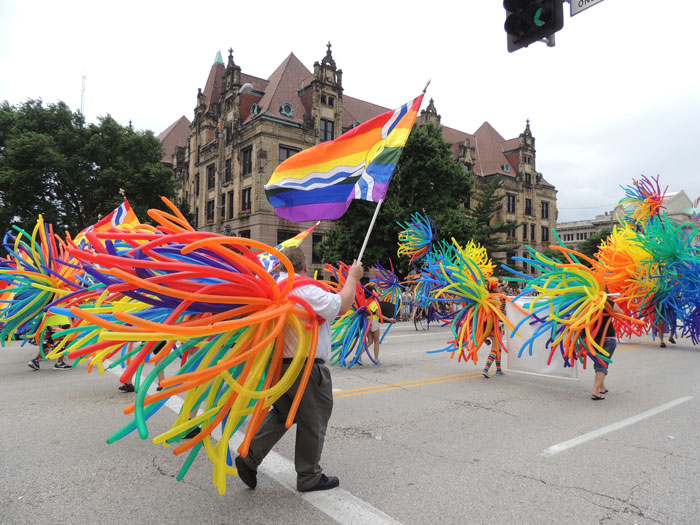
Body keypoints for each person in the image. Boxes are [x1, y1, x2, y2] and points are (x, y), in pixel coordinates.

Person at [235, 247, 363, 492]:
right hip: (306, 369)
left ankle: (250, 458)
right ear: (304, 267)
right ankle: (308, 476)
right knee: (314, 420)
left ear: (281, 266)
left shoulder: (273, 288)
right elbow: (342, 305)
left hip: (280, 368)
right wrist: (353, 277)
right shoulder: (303, 288)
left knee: (283, 415)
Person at [591, 295, 623, 400]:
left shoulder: (586, 303)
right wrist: (609, 312)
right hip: (608, 337)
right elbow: (621, 314)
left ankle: (602, 387)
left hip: (593, 338)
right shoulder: (608, 303)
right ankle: (595, 391)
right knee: (602, 364)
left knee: (598, 363)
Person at [365, 283, 395, 366]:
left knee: (369, 341)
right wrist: (389, 319)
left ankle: (357, 356)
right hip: (374, 322)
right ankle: (376, 359)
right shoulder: (374, 303)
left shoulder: (365, 301)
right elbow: (378, 314)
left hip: (367, 322)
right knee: (376, 341)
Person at [482, 280, 505, 378]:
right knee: (495, 348)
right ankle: (486, 369)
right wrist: (503, 302)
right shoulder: (495, 297)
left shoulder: (486, 296)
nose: (500, 287)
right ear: (494, 287)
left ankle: (499, 370)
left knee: (498, 348)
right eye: (498, 285)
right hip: (497, 326)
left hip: (489, 326)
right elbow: (499, 311)